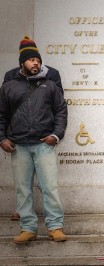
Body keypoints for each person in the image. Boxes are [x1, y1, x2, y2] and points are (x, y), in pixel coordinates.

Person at [0, 36, 68, 243]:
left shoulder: (50, 85)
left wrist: (56, 135)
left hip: (43, 144)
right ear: (23, 63)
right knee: (23, 189)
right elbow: (1, 114)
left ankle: (55, 226)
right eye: (31, 60)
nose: (36, 63)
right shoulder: (9, 86)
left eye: (38, 60)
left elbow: (61, 111)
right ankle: (28, 228)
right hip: (19, 145)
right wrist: (2, 137)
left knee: (50, 187)